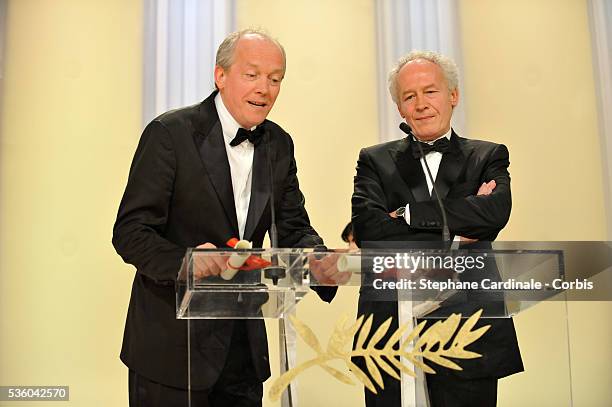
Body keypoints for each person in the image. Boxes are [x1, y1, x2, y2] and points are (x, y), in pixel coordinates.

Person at [113, 29, 337, 407]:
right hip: (171, 349)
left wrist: (319, 260)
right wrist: (187, 263)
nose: (265, 88)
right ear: (220, 76)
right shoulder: (170, 133)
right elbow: (131, 232)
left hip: (243, 353)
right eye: (252, 75)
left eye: (275, 78)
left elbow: (292, 225)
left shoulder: (279, 145)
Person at [352, 50, 523, 407]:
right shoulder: (374, 160)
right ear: (399, 108)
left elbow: (493, 214)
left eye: (430, 91)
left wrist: (409, 215)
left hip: (469, 328)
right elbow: (370, 232)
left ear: (453, 96)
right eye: (408, 96)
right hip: (390, 333)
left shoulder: (487, 155)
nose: (421, 104)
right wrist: (461, 226)